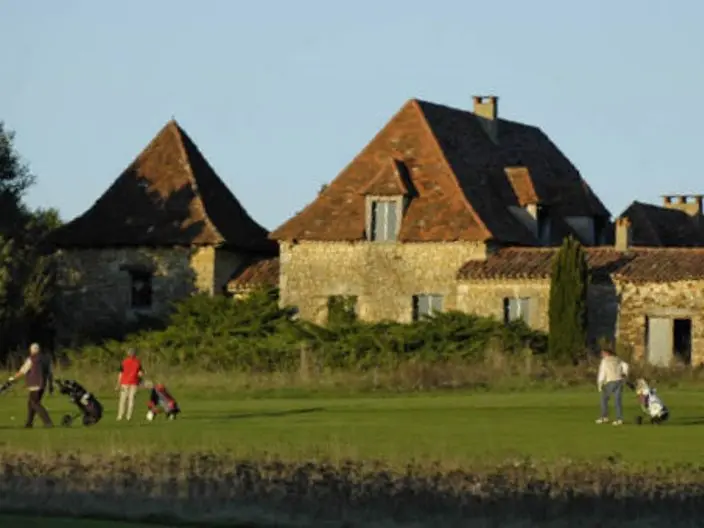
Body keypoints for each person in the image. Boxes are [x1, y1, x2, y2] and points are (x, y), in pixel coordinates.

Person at [8, 342, 54, 428]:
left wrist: (13, 378)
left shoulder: (31, 359)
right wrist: (50, 385)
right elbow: (50, 373)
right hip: (43, 385)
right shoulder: (46, 359)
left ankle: (48, 422)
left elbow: (23, 371)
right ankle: (29, 423)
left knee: (35, 403)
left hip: (34, 385)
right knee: (31, 403)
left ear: (31, 350)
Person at [596, 347, 629, 425]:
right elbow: (626, 365)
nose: (602, 355)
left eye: (603, 353)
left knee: (604, 398)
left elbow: (602, 372)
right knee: (618, 401)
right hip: (619, 381)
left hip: (611, 381)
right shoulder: (617, 359)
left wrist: (600, 383)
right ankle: (619, 419)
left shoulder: (605, 361)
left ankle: (604, 417)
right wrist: (624, 373)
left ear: (607, 353)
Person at [116, 348, 144, 421]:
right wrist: (140, 381)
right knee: (131, 400)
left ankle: (120, 416)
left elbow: (120, 374)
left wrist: (118, 384)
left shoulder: (124, 362)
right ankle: (129, 416)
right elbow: (140, 374)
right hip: (134, 383)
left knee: (123, 400)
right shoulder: (138, 362)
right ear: (135, 354)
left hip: (124, 383)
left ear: (128, 354)